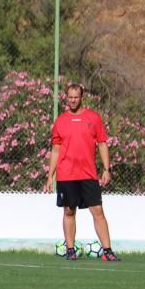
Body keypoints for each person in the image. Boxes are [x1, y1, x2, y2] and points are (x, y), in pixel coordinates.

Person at [46, 83, 119, 262]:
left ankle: (108, 251)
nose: (72, 100)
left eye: (75, 97)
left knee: (98, 211)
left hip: (88, 174)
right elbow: (56, 150)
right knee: (69, 211)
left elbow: (102, 143)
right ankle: (70, 250)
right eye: (69, 97)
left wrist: (106, 169)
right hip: (66, 175)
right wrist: (50, 176)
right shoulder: (60, 121)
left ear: (81, 97)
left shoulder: (93, 118)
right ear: (66, 97)